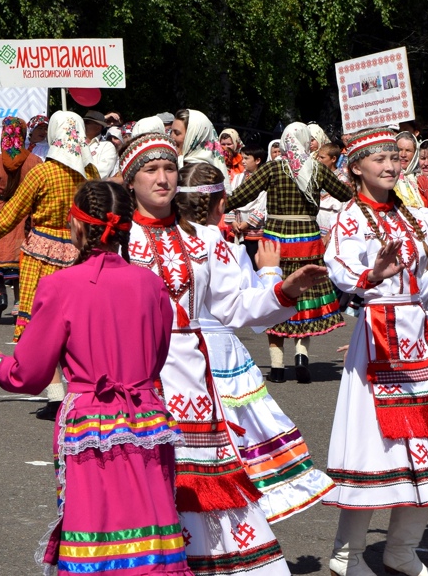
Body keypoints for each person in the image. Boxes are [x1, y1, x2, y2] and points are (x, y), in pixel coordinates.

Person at [121, 132, 325, 576]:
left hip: (193, 379)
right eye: (150, 170)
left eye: (170, 169)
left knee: (210, 487)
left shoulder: (206, 240)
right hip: (133, 382)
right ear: (130, 180)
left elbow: (236, 308)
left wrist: (284, 290)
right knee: (142, 493)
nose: (162, 178)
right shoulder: (119, 240)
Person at [0, 180, 190, 576]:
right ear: (126, 226)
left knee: (97, 531)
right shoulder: (152, 285)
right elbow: (156, 360)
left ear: (76, 226)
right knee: (150, 527)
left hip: (92, 423)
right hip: (146, 416)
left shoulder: (59, 286)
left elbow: (30, 374)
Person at [322, 128, 428, 576]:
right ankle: (347, 553)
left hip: (419, 342)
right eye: (376, 157)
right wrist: (370, 275)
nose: (388, 163)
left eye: (392, 157)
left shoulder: (414, 216)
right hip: (378, 339)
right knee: (375, 450)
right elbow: (339, 267)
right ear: (356, 167)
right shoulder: (350, 218)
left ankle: (401, 548)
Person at [176, 162, 335, 523]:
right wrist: (270, 272)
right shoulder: (221, 246)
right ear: (221, 204)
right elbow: (249, 310)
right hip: (218, 357)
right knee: (232, 446)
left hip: (174, 358)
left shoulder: (160, 239)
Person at [225, 122, 356, 384]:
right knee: (303, 296)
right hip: (308, 239)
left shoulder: (273, 168)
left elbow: (242, 195)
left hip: (276, 242)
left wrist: (216, 206)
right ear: (307, 142)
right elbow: (344, 193)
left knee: (275, 294)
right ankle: (301, 356)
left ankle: (276, 366)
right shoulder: (317, 168)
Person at [0, 112, 90, 353]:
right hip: (79, 252)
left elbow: (13, 213)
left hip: (41, 252)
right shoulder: (89, 174)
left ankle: (48, 382)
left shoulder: (42, 173)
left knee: (39, 321)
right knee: (75, 320)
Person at [0, 116, 39, 322]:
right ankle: (19, 302)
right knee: (21, 258)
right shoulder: (34, 161)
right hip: (24, 213)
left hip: (2, 210)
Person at [173, 108, 227, 175]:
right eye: (171, 131)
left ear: (192, 137)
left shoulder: (203, 174)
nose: (172, 137)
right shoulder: (178, 163)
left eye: (177, 133)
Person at [84, 109, 120, 179]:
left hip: (93, 187)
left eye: (87, 122)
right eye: (83, 122)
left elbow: (101, 173)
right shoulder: (76, 143)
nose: (83, 124)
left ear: (98, 127)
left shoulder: (107, 146)